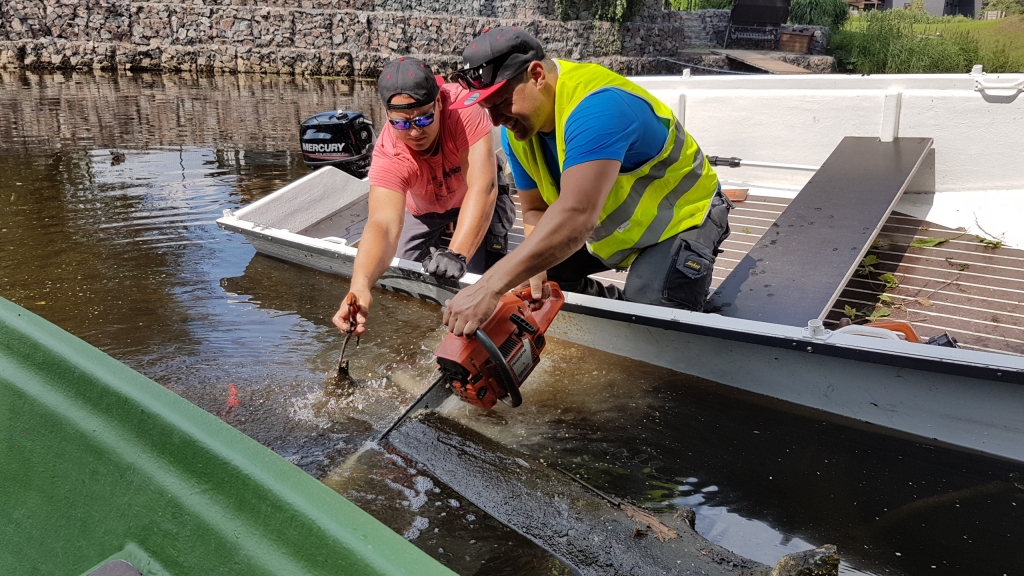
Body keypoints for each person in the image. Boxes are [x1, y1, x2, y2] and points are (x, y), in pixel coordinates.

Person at [442, 27, 732, 336]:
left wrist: (491, 285)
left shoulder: (598, 108)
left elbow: (577, 215)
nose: (497, 121)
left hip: (684, 216)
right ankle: (618, 314)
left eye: (501, 102)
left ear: (537, 74)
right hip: (616, 229)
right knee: (540, 277)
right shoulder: (521, 132)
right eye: (487, 109)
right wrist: (533, 269)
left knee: (653, 317)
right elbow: (536, 209)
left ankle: (663, 302)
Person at [332, 56, 515, 336]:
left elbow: (482, 189)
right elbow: (383, 224)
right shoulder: (388, 152)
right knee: (402, 280)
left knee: (473, 285)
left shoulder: (464, 107)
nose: (415, 132)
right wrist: (359, 285)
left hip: (474, 197)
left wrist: (456, 254)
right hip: (427, 208)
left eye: (424, 119)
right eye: (402, 124)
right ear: (387, 116)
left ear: (439, 102)